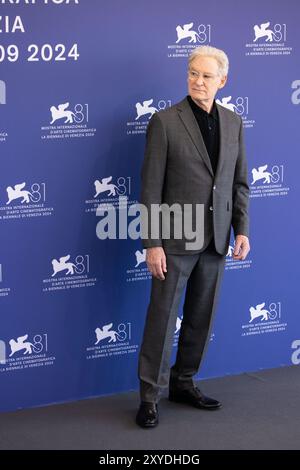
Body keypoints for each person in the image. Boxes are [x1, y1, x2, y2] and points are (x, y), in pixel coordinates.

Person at [136, 45, 250, 428]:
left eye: (206, 75)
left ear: (222, 80)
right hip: (174, 240)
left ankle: (184, 383)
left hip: (217, 241)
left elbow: (239, 184)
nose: (198, 82)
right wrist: (152, 242)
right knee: (162, 320)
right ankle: (150, 396)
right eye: (192, 74)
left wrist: (242, 230)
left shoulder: (234, 123)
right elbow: (150, 189)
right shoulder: (165, 122)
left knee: (201, 317)